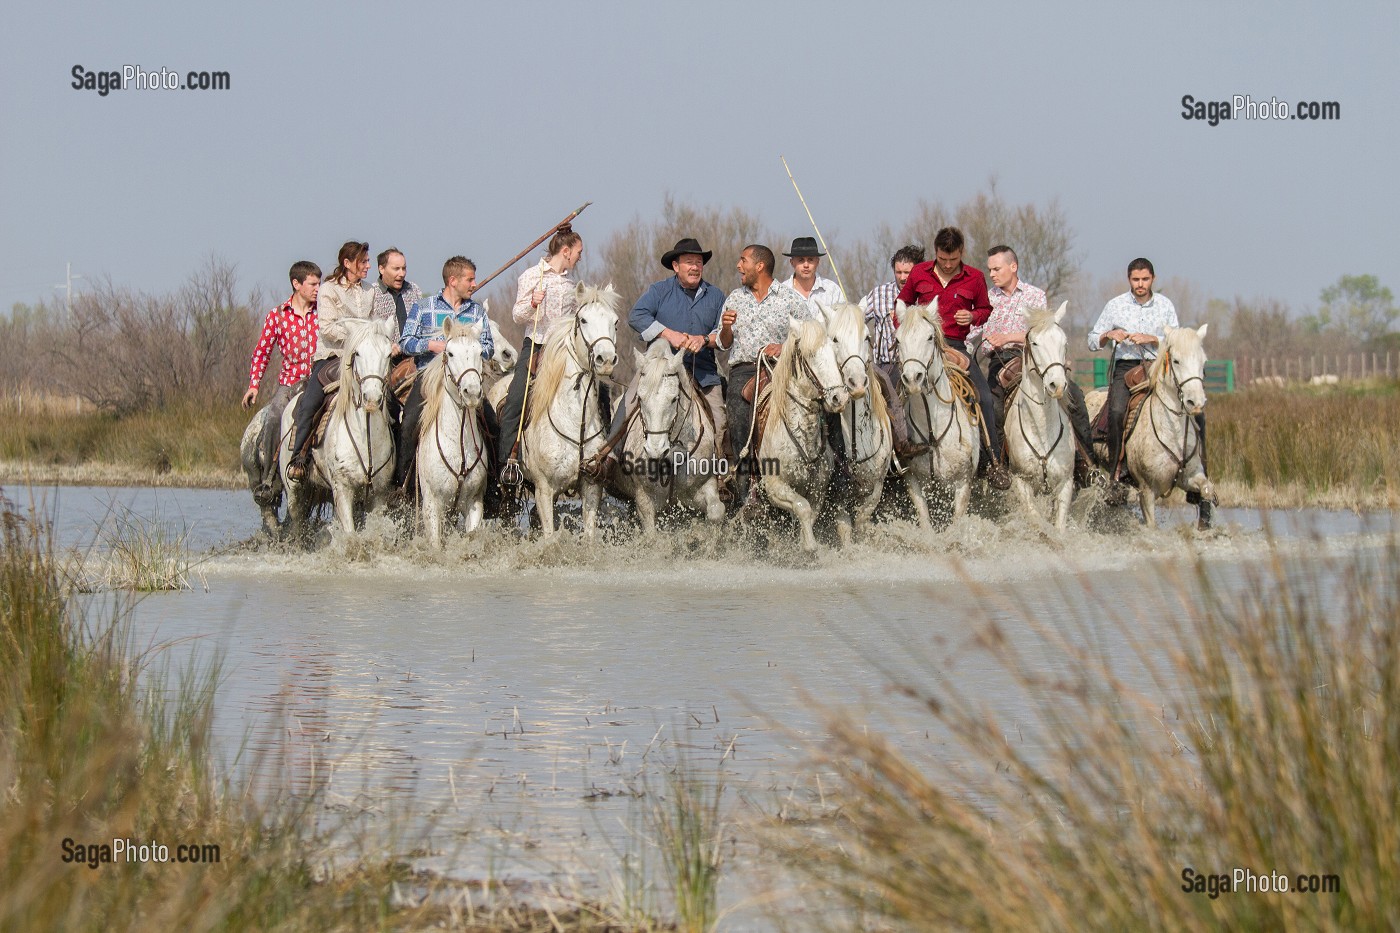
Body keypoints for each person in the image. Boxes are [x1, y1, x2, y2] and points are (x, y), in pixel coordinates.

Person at [587, 238, 729, 483]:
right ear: (676, 266)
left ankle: (722, 478)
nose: (695, 267)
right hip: (658, 372)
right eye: (689, 263)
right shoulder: (658, 291)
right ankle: (608, 459)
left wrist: (704, 339)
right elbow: (636, 316)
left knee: (720, 419)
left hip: (703, 372)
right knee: (628, 404)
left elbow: (724, 336)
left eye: (698, 263)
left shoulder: (716, 296)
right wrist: (668, 333)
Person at [897, 227, 1011, 490]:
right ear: (935, 253)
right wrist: (906, 330)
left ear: (961, 254)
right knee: (892, 391)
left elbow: (985, 309)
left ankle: (993, 462)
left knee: (984, 398)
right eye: (942, 259)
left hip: (957, 346)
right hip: (919, 348)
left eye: (953, 259)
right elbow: (902, 304)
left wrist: (972, 317)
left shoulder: (975, 278)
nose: (948, 264)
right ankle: (895, 456)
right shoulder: (918, 273)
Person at [975, 245, 1096, 486]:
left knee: (1075, 397)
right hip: (1001, 363)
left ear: (1013, 267)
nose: (992, 274)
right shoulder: (986, 299)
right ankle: (996, 466)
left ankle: (1087, 465)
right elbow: (975, 331)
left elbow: (1042, 331)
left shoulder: (1035, 295)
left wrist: (1008, 336)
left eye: (997, 269)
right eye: (990, 270)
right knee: (990, 407)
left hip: (1036, 359)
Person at [1087, 257, 1204, 505]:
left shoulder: (1165, 305)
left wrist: (1152, 339)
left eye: (1145, 279)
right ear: (1129, 279)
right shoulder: (1115, 305)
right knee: (1117, 411)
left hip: (1159, 367)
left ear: (1153, 279)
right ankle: (1116, 473)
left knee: (1196, 411)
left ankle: (1198, 472)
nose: (1140, 284)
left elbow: (1179, 342)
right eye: (1135, 279)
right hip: (1126, 368)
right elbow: (1092, 339)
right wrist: (1109, 335)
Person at [709, 244, 814, 502]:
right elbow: (723, 344)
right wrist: (725, 328)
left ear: (760, 266)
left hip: (780, 369)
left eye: (742, 260)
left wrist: (785, 345)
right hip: (743, 370)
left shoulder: (789, 299)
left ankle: (812, 474)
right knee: (738, 421)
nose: (738, 266)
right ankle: (745, 495)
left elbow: (812, 336)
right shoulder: (734, 298)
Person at [287, 241, 393, 481]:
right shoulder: (328, 289)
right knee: (310, 403)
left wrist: (383, 340)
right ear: (347, 263)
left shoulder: (371, 291)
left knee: (394, 403)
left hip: (365, 359)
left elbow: (376, 323)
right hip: (332, 357)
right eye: (363, 262)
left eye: (367, 261)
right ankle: (299, 458)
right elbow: (326, 328)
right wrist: (359, 337)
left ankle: (392, 466)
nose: (368, 266)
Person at [392, 256, 497, 491]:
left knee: (492, 423)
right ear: (453, 280)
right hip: (429, 378)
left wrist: (470, 344)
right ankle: (403, 488)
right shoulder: (424, 307)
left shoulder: (477, 311)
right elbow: (406, 342)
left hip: (466, 378)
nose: (474, 284)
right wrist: (432, 345)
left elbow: (489, 348)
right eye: (469, 279)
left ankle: (493, 490)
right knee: (409, 423)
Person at [497, 225, 586, 471]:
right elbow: (517, 315)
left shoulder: (572, 284)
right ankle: (507, 461)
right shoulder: (531, 276)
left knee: (596, 393)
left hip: (565, 349)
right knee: (516, 399)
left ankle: (598, 458)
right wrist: (533, 304)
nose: (580, 257)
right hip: (536, 345)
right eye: (578, 252)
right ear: (566, 251)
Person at [243, 261, 320, 502]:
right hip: (290, 383)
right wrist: (254, 385)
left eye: (319, 283)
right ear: (296, 284)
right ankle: (270, 479)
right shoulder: (277, 316)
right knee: (275, 416)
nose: (318, 289)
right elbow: (262, 352)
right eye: (313, 284)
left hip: (319, 380)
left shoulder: (324, 312)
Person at [860, 245, 927, 461]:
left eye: (908, 273)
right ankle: (894, 448)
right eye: (898, 272)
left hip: (921, 364)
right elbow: (859, 319)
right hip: (887, 364)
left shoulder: (926, 295)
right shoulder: (879, 294)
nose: (902, 277)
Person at [780, 236, 846, 311]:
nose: (806, 265)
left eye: (810, 260)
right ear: (792, 263)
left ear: (817, 262)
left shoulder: (833, 290)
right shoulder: (781, 293)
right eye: (801, 260)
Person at [372, 247, 421, 343]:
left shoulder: (413, 289)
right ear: (381, 269)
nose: (401, 273)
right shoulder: (372, 293)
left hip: (414, 355)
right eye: (396, 269)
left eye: (404, 268)